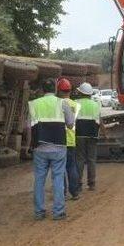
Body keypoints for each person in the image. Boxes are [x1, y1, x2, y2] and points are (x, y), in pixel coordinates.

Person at [27, 78, 75, 221]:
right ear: (55, 89)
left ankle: (39, 212)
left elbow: (29, 127)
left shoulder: (34, 104)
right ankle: (58, 212)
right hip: (59, 147)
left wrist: (30, 145)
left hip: (40, 148)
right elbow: (71, 124)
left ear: (42, 90)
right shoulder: (63, 103)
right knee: (58, 178)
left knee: (39, 180)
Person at [75, 82, 106, 192]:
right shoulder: (95, 104)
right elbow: (100, 121)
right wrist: (105, 133)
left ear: (81, 92)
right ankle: (91, 184)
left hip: (79, 135)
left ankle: (78, 184)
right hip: (92, 135)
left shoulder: (75, 103)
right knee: (91, 159)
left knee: (79, 159)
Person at [57, 79, 81, 201]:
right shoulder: (76, 105)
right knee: (71, 167)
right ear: (70, 91)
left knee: (60, 169)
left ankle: (63, 193)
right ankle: (75, 193)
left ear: (59, 90)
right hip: (71, 140)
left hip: (59, 140)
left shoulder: (57, 104)